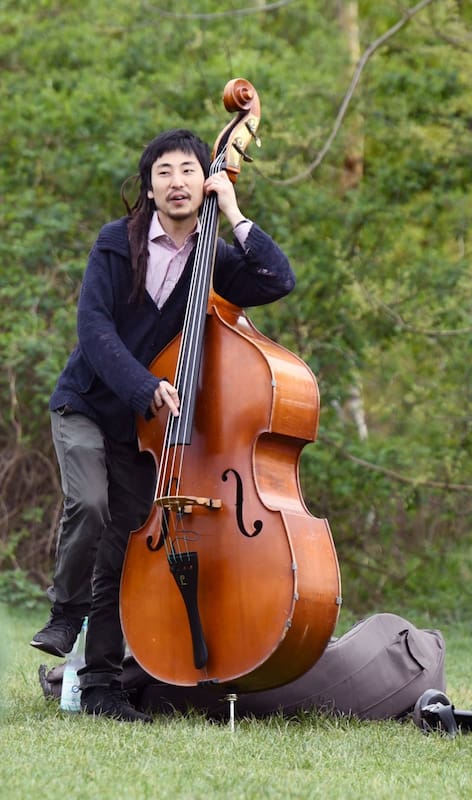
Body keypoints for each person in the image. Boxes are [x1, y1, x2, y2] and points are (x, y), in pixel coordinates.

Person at [31, 128, 297, 722]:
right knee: (93, 506)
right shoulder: (114, 244)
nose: (177, 183)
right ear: (149, 189)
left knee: (124, 552)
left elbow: (278, 281)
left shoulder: (212, 255)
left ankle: (101, 686)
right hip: (86, 405)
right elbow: (94, 331)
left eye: (188, 172)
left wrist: (232, 210)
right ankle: (65, 611)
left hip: (140, 434)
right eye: (163, 173)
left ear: (204, 181)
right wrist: (145, 387)